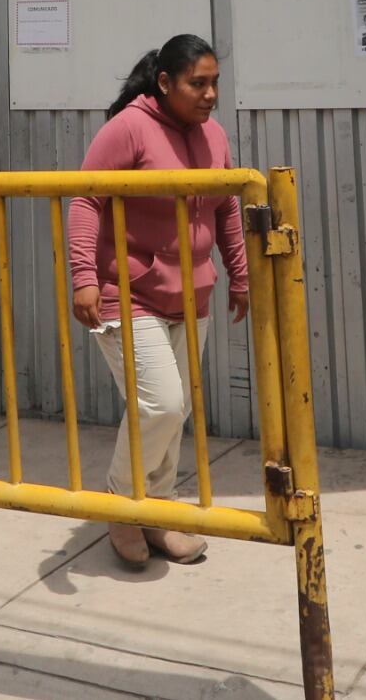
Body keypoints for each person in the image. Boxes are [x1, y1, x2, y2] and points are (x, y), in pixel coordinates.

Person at [66, 34, 251, 570]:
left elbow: (225, 207)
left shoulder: (214, 135)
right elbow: (86, 199)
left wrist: (239, 274)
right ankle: (122, 506)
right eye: (198, 83)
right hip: (126, 294)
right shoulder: (129, 128)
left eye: (215, 82)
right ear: (165, 82)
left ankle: (158, 510)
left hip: (192, 297)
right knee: (161, 405)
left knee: (176, 410)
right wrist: (83, 276)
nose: (210, 94)